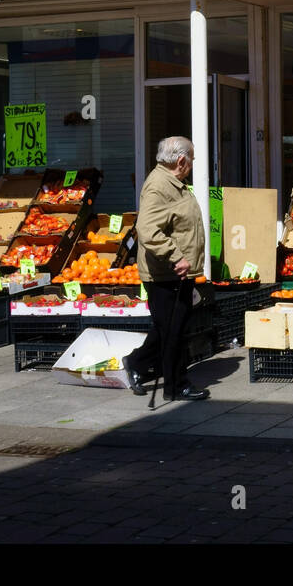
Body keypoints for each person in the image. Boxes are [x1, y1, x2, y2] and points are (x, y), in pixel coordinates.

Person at [122, 135, 209, 401]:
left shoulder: (175, 183)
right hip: (166, 273)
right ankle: (176, 386)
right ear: (181, 161)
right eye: (191, 160)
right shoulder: (159, 186)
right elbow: (147, 229)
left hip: (179, 272)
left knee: (168, 328)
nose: (192, 165)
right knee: (174, 331)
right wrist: (175, 257)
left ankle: (136, 363)